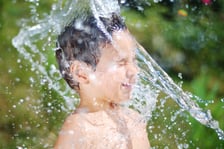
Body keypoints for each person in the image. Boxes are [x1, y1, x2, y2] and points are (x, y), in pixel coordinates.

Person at [54, 12, 150, 149]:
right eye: (121, 62)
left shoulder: (134, 120)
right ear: (82, 73)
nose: (134, 70)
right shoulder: (80, 128)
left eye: (133, 60)